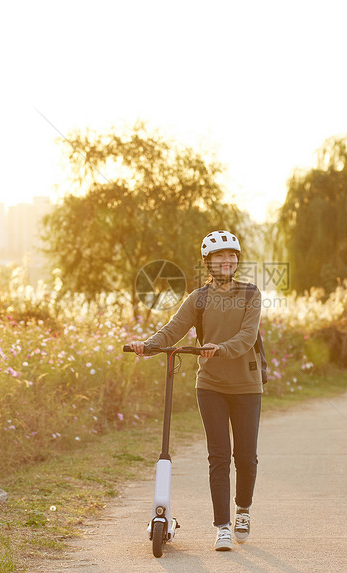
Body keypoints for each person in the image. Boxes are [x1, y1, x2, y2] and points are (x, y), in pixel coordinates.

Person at [128, 230, 263, 552]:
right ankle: (222, 527)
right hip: (211, 385)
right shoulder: (198, 298)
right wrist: (147, 346)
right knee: (218, 457)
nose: (226, 261)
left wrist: (221, 348)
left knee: (245, 457)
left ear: (236, 260)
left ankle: (242, 511)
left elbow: (247, 336)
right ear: (209, 263)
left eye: (231, 256)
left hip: (247, 385)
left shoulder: (250, 294)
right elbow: (174, 328)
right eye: (219, 257)